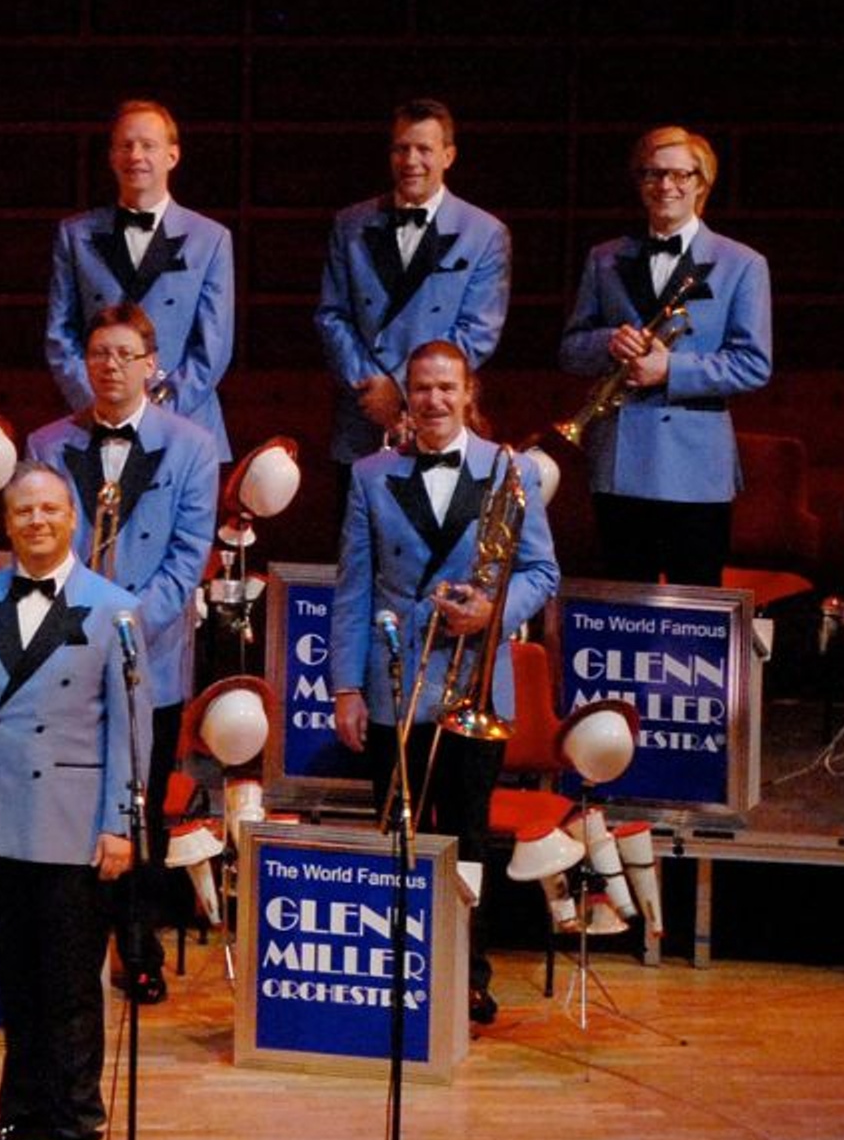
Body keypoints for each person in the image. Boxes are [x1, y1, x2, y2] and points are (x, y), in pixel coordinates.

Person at [330, 340, 559, 1025]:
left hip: (474, 682)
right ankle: (397, 970)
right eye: (421, 388)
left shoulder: (507, 469)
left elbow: (541, 573)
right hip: (395, 679)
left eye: (445, 388)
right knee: (398, 834)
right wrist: (346, 686)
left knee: (466, 838)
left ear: (468, 394)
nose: (432, 400)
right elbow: (353, 587)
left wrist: (494, 614)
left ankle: (467, 974)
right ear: (407, 395)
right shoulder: (371, 475)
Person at [0, 468, 140, 1140]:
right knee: (16, 982)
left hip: (71, 822)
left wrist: (119, 822)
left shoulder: (115, 607)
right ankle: (20, 1114)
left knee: (69, 989)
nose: (36, 520)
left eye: (51, 508)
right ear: (5, 519)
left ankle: (75, 1128)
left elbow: (129, 728)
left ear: (74, 519)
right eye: (22, 509)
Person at [23, 305, 215, 1003]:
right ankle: (73, 946)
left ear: (149, 365)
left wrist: (123, 628)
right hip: (66, 655)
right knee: (71, 803)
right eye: (98, 353)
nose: (109, 365)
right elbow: (37, 544)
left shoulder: (192, 447)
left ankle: (139, 948)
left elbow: (188, 556)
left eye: (123, 354)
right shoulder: (47, 443)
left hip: (149, 659)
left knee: (136, 808)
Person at [555, 125, 775, 585]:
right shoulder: (605, 258)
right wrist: (607, 343)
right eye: (653, 174)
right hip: (620, 464)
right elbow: (571, 349)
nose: (666, 186)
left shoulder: (743, 264)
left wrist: (669, 369)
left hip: (695, 468)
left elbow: (754, 363)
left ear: (701, 183)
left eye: (679, 174)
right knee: (623, 603)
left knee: (693, 609)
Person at [314, 100, 511, 465]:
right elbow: (332, 315)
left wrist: (406, 389)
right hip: (364, 415)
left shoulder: (484, 233)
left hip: (440, 416)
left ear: (448, 155)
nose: (411, 161)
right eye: (401, 148)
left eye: (424, 149)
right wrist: (372, 388)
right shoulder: (351, 224)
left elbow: (477, 331)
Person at [43, 100, 238, 462]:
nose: (136, 155)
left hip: (184, 425)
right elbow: (60, 335)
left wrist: (154, 415)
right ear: (112, 157)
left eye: (148, 145)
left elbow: (213, 346)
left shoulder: (210, 239)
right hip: (95, 424)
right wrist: (101, 405)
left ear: (172, 156)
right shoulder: (75, 235)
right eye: (125, 145)